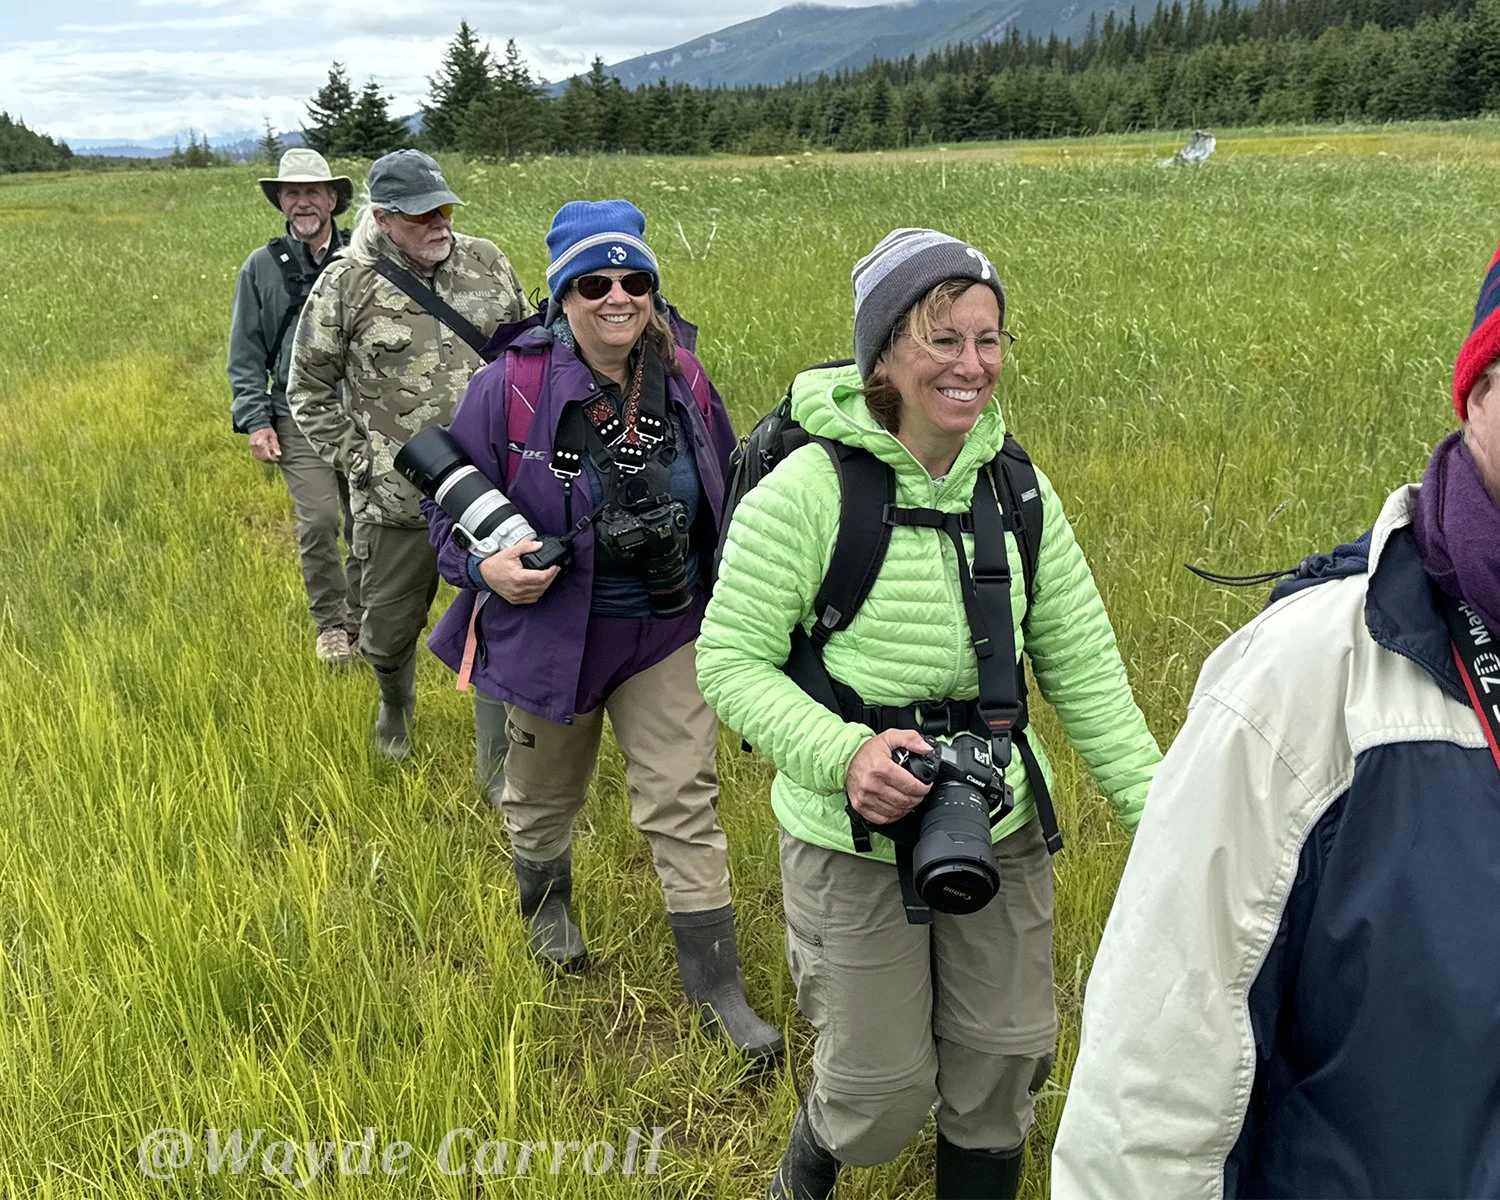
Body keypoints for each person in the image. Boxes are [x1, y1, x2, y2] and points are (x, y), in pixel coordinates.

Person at [697, 228, 1160, 1199]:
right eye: (942, 339)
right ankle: (811, 1163)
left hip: (996, 820)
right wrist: (845, 755)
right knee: (880, 1096)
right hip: (849, 834)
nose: (971, 365)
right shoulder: (809, 493)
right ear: (884, 354)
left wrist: (1163, 817)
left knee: (1003, 1065)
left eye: (989, 340)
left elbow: (1086, 673)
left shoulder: (1021, 493)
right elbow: (729, 660)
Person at [1052, 245, 1500, 1197]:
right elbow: (1151, 1090)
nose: (972, 365)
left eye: (986, 339)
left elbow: (1077, 656)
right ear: (1474, 396)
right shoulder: (1312, 683)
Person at [422, 199, 783, 1060]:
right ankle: (548, 919)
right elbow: (445, 512)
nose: (617, 298)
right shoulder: (508, 387)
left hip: (665, 630)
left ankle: (717, 990)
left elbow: (731, 504)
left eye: (635, 281)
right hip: (550, 635)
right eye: (594, 283)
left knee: (682, 804)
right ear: (562, 295)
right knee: (541, 798)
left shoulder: (686, 379)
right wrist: (487, 570)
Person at [288, 149, 529, 758]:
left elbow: (530, 355)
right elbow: (307, 387)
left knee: (500, 620)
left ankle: (495, 762)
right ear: (384, 217)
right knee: (389, 631)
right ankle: (395, 703)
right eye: (422, 215)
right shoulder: (346, 284)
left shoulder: (487, 262)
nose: (440, 223)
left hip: (493, 493)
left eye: (444, 208)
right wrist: (360, 460)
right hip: (399, 504)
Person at [227, 147, 361, 663]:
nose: (302, 203)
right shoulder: (260, 268)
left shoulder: (364, 257)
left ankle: (362, 618)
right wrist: (256, 419)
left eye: (312, 192)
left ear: (332, 198)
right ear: (280, 202)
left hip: (362, 412)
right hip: (297, 413)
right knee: (319, 520)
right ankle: (331, 624)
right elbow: (245, 353)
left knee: (367, 521)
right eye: (292, 194)